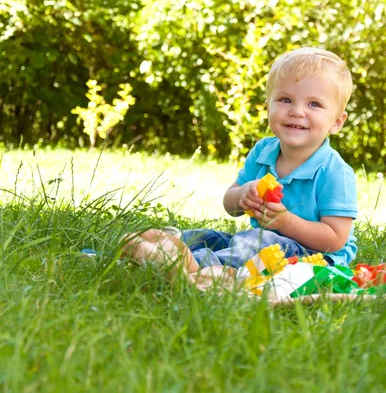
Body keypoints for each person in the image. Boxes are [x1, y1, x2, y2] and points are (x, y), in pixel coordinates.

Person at [121, 47, 358, 278]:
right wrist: (243, 194)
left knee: (256, 242)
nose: (296, 111)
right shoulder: (264, 151)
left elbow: (335, 239)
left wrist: (286, 222)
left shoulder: (334, 172)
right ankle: (166, 245)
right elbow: (230, 205)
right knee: (214, 237)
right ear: (268, 105)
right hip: (259, 240)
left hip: (313, 256)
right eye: (285, 99)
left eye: (314, 104)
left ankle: (197, 267)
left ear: (337, 122)